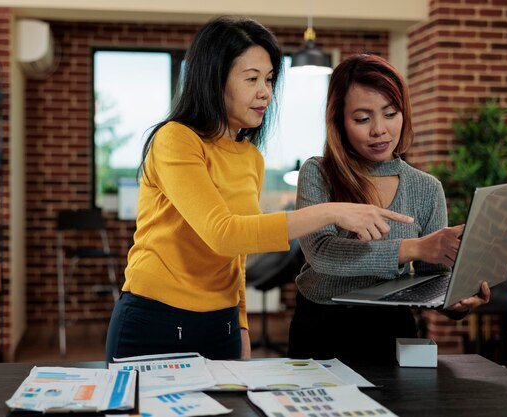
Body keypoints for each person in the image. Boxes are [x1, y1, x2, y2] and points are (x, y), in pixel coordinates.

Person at [105, 18, 414, 362]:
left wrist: (240, 324)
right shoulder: (176, 139)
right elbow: (223, 234)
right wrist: (332, 210)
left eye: (268, 79)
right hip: (155, 320)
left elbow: (236, 255)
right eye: (251, 78)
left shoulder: (250, 157)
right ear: (213, 80)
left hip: (219, 325)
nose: (265, 91)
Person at [287, 54, 491, 363]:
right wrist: (415, 248)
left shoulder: (426, 188)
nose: (379, 130)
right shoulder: (318, 173)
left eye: (390, 113)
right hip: (322, 327)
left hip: (392, 328)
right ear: (340, 121)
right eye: (362, 119)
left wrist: (456, 301)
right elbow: (323, 254)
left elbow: (433, 275)